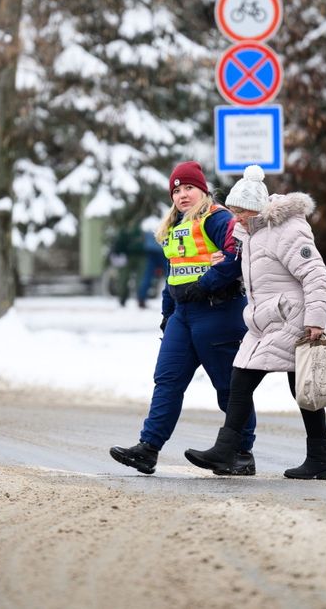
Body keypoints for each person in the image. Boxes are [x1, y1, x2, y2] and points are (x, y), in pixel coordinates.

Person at [184, 164, 326, 480]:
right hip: (264, 320)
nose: (234, 217)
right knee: (278, 385)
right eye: (234, 210)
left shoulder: (288, 230)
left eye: (240, 211)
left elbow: (315, 275)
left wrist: (316, 321)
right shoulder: (250, 234)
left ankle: (312, 458)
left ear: (256, 209)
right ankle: (316, 459)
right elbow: (256, 273)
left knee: (282, 385)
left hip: (290, 318)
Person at [109, 161, 258, 475]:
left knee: (229, 388)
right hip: (183, 315)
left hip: (218, 311)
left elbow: (237, 254)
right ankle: (148, 448)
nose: (182, 195)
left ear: (202, 189)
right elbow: (173, 274)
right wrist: (167, 313)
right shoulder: (174, 226)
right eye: (176, 190)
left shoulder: (217, 218)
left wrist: (205, 285)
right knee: (167, 380)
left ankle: (240, 453)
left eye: (189, 187)